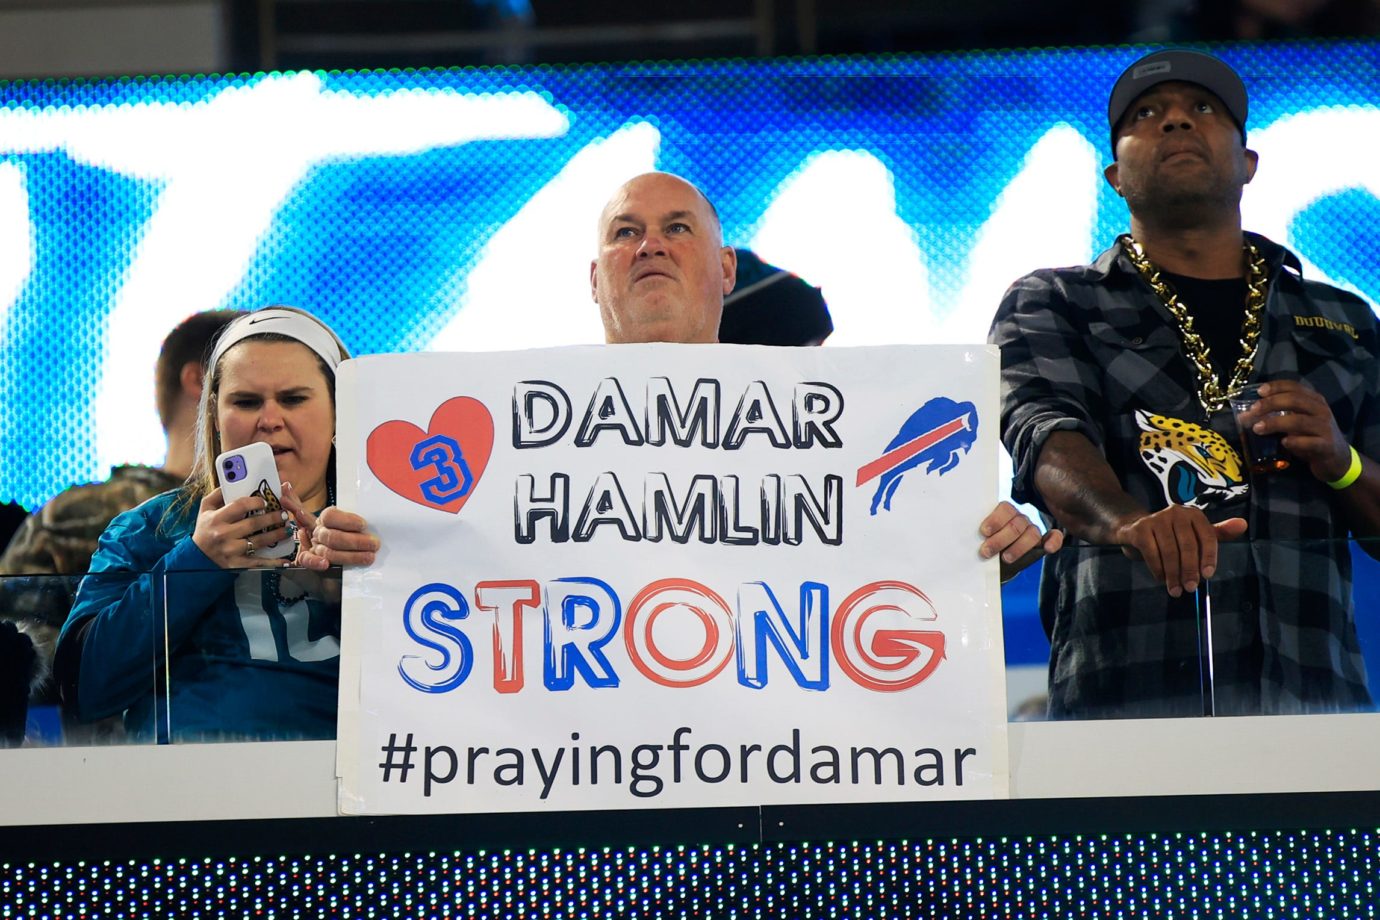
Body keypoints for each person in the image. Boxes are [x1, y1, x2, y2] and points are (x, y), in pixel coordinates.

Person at [990, 49, 1380, 718]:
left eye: (1203, 110)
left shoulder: (1342, 319)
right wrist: (1130, 523)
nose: (1175, 123)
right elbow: (1047, 442)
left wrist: (1341, 463)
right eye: (1147, 115)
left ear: (1248, 162)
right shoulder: (1057, 301)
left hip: (1313, 705)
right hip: (1122, 701)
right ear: (1115, 174)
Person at [591, 171, 1059, 578]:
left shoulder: (837, 446)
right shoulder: (525, 445)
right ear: (595, 279)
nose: (651, 246)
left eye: (676, 227)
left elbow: (880, 570)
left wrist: (964, 558)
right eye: (626, 233)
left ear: (726, 268)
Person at [55, 307, 376, 742]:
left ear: (340, 411)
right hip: (185, 793)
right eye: (246, 402)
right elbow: (83, 692)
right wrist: (196, 561)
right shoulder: (152, 527)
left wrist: (357, 595)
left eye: (293, 398)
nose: (270, 418)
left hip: (345, 790)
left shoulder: (375, 529)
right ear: (213, 415)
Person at [0, 310, 241, 743]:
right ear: (201, 381)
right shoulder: (81, 515)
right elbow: (16, 666)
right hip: (106, 777)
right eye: (250, 385)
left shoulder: (314, 518)